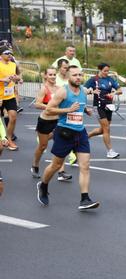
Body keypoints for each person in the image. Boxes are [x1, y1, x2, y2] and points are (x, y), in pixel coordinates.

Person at [37, 65, 99, 210]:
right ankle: (43, 185)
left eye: (80, 75)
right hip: (64, 132)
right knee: (56, 165)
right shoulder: (62, 91)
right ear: (68, 76)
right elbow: (49, 109)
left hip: (80, 132)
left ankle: (85, 199)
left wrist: (86, 110)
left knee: (85, 166)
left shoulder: (83, 90)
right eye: (75, 75)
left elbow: (80, 107)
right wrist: (67, 110)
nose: (78, 77)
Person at [31, 67, 70, 182]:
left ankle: (61, 172)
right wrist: (49, 106)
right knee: (43, 146)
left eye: (54, 74)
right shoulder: (44, 89)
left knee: (61, 144)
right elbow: (37, 104)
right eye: (50, 74)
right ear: (46, 76)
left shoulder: (59, 89)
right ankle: (35, 165)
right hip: (45, 121)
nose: (53, 76)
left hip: (58, 121)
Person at [84, 63, 122, 159]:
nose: (106, 73)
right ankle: (110, 151)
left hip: (108, 106)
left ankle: (86, 136)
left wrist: (114, 93)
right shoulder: (94, 80)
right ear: (99, 70)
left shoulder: (110, 79)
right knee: (106, 129)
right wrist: (92, 91)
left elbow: (120, 90)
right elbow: (83, 89)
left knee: (103, 129)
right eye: (104, 71)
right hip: (98, 106)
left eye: (108, 71)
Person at [0, 47, 20, 150]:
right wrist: (3, 79)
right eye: (6, 53)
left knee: (13, 117)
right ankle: (2, 139)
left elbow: (17, 76)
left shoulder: (13, 64)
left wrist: (17, 78)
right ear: (1, 55)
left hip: (10, 95)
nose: (9, 55)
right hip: (0, 96)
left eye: (10, 53)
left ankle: (9, 139)